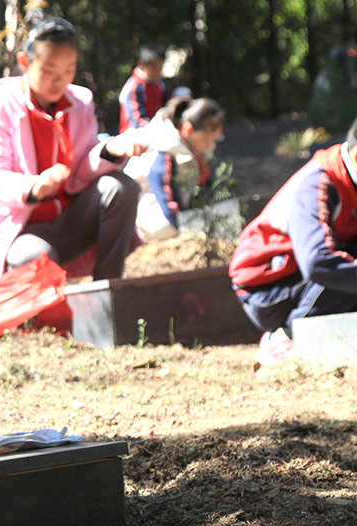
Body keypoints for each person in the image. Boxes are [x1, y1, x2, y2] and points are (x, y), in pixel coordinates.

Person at [0, 16, 149, 291]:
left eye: (69, 70)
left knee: (121, 188)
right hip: (23, 229)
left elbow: (82, 165)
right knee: (36, 257)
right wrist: (34, 186)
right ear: (24, 62)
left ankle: (107, 290)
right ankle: (44, 307)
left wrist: (110, 149)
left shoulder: (79, 103)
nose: (60, 80)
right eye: (49, 69)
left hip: (71, 218)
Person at [229, 116, 357, 365]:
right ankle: (285, 337)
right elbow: (317, 261)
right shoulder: (319, 182)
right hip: (266, 288)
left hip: (302, 276)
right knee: (338, 264)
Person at [124, 96, 225, 242]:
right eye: (207, 139)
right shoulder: (164, 148)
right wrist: (188, 229)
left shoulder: (192, 146)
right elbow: (166, 197)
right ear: (188, 129)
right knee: (168, 228)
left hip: (173, 206)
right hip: (145, 213)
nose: (210, 145)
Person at [118, 43, 168, 134]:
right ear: (142, 65)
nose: (158, 71)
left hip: (155, 133)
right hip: (133, 137)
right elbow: (136, 120)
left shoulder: (160, 84)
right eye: (154, 67)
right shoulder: (134, 87)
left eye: (161, 67)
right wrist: (157, 130)